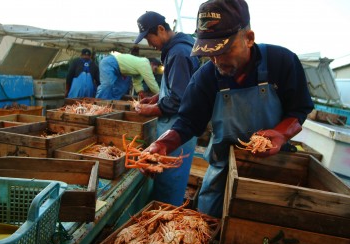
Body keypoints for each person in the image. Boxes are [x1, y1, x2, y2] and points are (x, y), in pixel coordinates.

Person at [143, 0, 314, 218]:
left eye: (223, 50)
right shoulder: (205, 78)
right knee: (208, 223)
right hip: (222, 169)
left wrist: (281, 133)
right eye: (210, 52)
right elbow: (188, 122)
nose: (216, 60)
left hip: (274, 167)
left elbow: (299, 110)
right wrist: (162, 144)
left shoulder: (281, 62)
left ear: (249, 38)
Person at [134, 11, 201, 206]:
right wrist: (155, 98)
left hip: (176, 131)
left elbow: (178, 100)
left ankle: (166, 228)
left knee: (169, 186)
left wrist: (150, 110)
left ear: (161, 29)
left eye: (149, 38)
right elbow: (177, 88)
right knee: (170, 181)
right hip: (177, 129)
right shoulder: (178, 49)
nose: (149, 44)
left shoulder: (178, 53)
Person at [95, 53, 159, 100]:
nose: (154, 72)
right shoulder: (145, 64)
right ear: (152, 64)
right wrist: (161, 95)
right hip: (110, 62)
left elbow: (137, 82)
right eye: (155, 69)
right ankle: (98, 103)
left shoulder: (141, 69)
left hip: (119, 70)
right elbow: (152, 83)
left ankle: (111, 104)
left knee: (121, 88)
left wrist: (141, 92)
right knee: (108, 84)